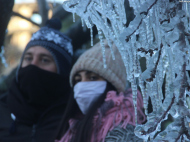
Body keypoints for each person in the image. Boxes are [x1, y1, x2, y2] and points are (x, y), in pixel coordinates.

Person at [56, 40, 146, 142]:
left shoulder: (123, 130)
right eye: (78, 80)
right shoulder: (73, 126)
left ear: (113, 84)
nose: (82, 85)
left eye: (93, 78)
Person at [0, 18, 73, 142]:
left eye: (44, 60)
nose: (33, 65)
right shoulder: (2, 111)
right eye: (28, 58)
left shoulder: (75, 118)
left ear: (63, 71)